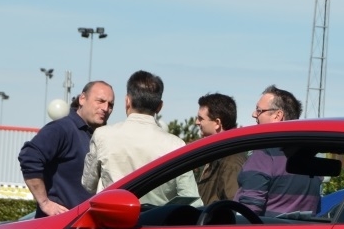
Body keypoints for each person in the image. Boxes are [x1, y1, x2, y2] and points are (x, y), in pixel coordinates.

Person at [81, 70, 199, 204]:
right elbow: (191, 198)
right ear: (159, 107)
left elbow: (88, 184)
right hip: (157, 222)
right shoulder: (176, 145)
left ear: (127, 101)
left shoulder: (103, 136)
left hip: (112, 221)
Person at [18, 80, 114, 217]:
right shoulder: (62, 129)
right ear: (82, 99)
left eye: (110, 105)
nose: (105, 108)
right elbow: (29, 157)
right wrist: (45, 203)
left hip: (87, 227)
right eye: (100, 101)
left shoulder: (99, 137)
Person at [234, 85, 321, 217]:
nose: (253, 114)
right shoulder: (309, 157)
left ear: (277, 115)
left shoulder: (264, 155)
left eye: (259, 110)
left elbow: (247, 212)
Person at [193, 92, 245, 205]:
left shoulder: (231, 160)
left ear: (217, 123)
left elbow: (233, 207)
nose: (197, 122)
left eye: (201, 118)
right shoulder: (218, 152)